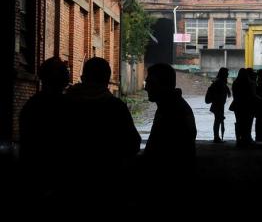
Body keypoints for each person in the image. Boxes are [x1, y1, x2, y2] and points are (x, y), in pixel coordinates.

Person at [62, 57, 141, 201]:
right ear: (107, 80)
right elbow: (133, 143)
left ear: (82, 77)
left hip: (70, 182)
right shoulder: (115, 107)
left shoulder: (63, 105)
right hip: (108, 183)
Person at [19, 57, 70, 198]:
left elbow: (27, 144)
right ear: (66, 81)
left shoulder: (31, 106)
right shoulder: (71, 107)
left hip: (35, 177)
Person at [143, 63, 197, 164]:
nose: (146, 88)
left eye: (149, 83)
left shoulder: (173, 111)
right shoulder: (168, 106)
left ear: (161, 84)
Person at [206, 67, 231, 143]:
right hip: (218, 105)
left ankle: (217, 137)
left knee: (218, 121)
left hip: (218, 105)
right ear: (223, 74)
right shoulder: (219, 83)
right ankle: (216, 138)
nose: (228, 74)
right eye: (226, 73)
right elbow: (218, 95)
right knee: (217, 121)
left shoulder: (220, 82)